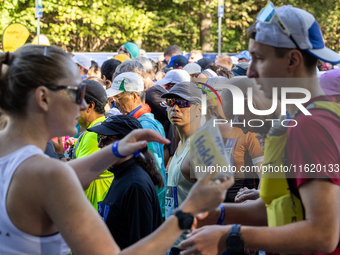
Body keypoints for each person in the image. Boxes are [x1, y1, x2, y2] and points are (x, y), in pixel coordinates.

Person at [0, 44, 234, 255]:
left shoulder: (12, 154)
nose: (84, 104)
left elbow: (66, 175)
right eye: (77, 93)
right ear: (43, 97)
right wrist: (188, 211)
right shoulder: (49, 175)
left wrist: (117, 149)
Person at [179, 4, 340, 255]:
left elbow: (322, 235)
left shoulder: (309, 126)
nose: (251, 71)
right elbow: (275, 207)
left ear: (293, 60)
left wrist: (231, 235)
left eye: (260, 58)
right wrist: (216, 214)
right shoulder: (302, 118)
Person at [88, 115, 163, 249]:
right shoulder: (121, 174)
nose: (99, 145)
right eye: (99, 138)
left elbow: (141, 248)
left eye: (105, 139)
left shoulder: (136, 185)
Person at [108, 72, 167, 218]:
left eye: (118, 97)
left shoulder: (144, 126)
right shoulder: (142, 122)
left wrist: (154, 210)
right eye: (113, 98)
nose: (115, 102)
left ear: (134, 96)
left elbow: (154, 170)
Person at [161, 82, 203, 255]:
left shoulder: (201, 148)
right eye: (171, 102)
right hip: (175, 241)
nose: (175, 108)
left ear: (199, 110)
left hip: (193, 243)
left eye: (184, 103)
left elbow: (215, 200)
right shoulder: (180, 142)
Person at [70, 79, 114, 211]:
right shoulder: (100, 127)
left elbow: (77, 180)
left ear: (90, 106)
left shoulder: (94, 134)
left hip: (94, 212)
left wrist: (60, 156)